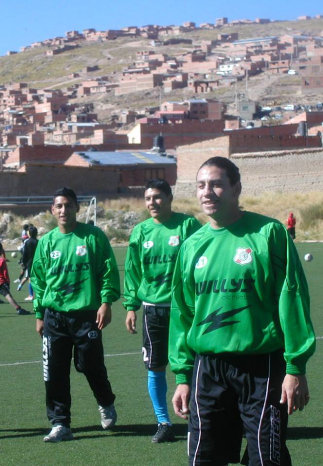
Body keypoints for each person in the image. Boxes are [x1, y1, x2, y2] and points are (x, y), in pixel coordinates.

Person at [169, 157, 316, 465]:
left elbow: (292, 298)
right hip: (207, 369)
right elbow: (182, 315)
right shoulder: (192, 245)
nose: (207, 192)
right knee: (205, 458)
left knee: (267, 458)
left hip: (261, 367)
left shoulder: (269, 234)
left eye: (217, 184)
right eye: (201, 185)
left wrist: (295, 367)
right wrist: (183, 375)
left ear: (236, 188)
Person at [31, 187, 120, 443]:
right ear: (52, 210)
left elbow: (107, 270)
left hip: (86, 315)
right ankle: (60, 423)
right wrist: (39, 314)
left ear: (77, 208)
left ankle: (105, 401)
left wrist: (106, 302)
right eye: (58, 206)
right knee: (54, 371)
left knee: (90, 365)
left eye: (68, 205)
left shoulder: (92, 236)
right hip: (54, 317)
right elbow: (38, 281)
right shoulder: (46, 243)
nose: (63, 210)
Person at [124, 179, 201, 443]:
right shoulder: (140, 231)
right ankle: (163, 422)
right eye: (147, 199)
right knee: (155, 367)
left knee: (194, 364)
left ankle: (198, 421)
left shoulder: (188, 225)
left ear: (169, 198)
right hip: (153, 311)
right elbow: (133, 272)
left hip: (185, 310)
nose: (152, 203)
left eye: (157, 197)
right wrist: (131, 306)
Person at [0, 242, 30, 315]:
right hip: (1, 281)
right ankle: (19, 309)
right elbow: (5, 273)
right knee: (8, 296)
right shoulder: (2, 261)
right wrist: (7, 282)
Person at [18, 225, 38, 300]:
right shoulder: (38, 242)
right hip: (37, 263)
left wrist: (23, 263)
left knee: (30, 279)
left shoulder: (27, 242)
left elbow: (25, 254)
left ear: (29, 233)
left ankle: (31, 295)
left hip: (30, 263)